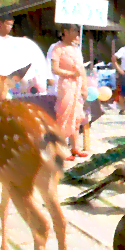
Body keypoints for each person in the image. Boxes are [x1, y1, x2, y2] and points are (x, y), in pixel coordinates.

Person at [51, 24, 89, 161]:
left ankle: (75, 147)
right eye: (74, 31)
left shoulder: (76, 49)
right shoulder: (58, 48)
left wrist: (85, 87)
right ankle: (60, 148)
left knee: (77, 116)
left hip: (77, 86)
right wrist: (71, 74)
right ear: (65, 32)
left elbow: (82, 70)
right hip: (66, 85)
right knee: (64, 115)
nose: (77, 33)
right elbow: (55, 69)